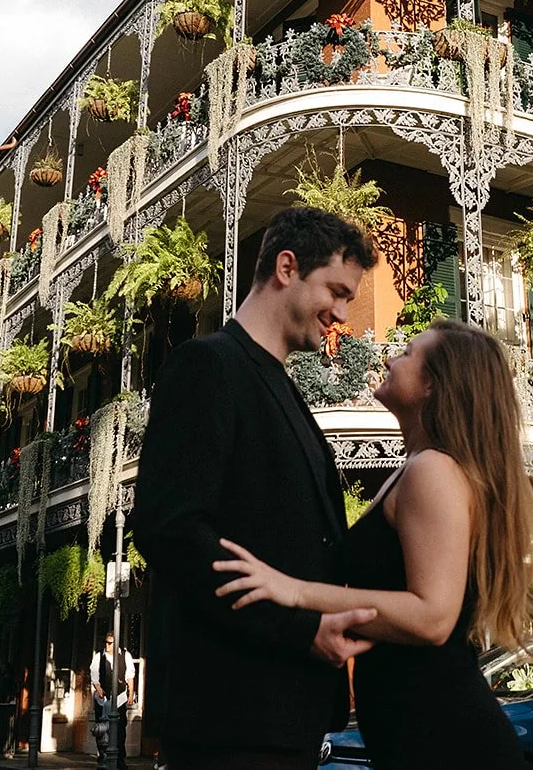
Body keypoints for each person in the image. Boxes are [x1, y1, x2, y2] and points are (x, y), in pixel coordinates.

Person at [212, 318, 533, 770]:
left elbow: (432, 617)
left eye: (407, 353)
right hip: (416, 730)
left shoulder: (432, 472)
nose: (389, 357)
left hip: (445, 736)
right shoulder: (417, 469)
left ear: (432, 385)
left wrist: (292, 590)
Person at [133, 206, 381, 770]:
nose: (342, 314)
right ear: (287, 268)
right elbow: (172, 530)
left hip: (285, 719)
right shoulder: (208, 365)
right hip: (229, 720)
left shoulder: (285, 389)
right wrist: (300, 631)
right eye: (336, 292)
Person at [88, 631, 136, 760]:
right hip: (103, 699)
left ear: (116, 644)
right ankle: (103, 757)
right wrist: (98, 689)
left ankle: (120, 758)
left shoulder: (125, 656)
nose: (107, 646)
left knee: (120, 730)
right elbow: (94, 677)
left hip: (120, 698)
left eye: (110, 643)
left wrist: (131, 694)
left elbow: (130, 676)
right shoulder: (99, 656)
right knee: (102, 729)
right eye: (105, 642)